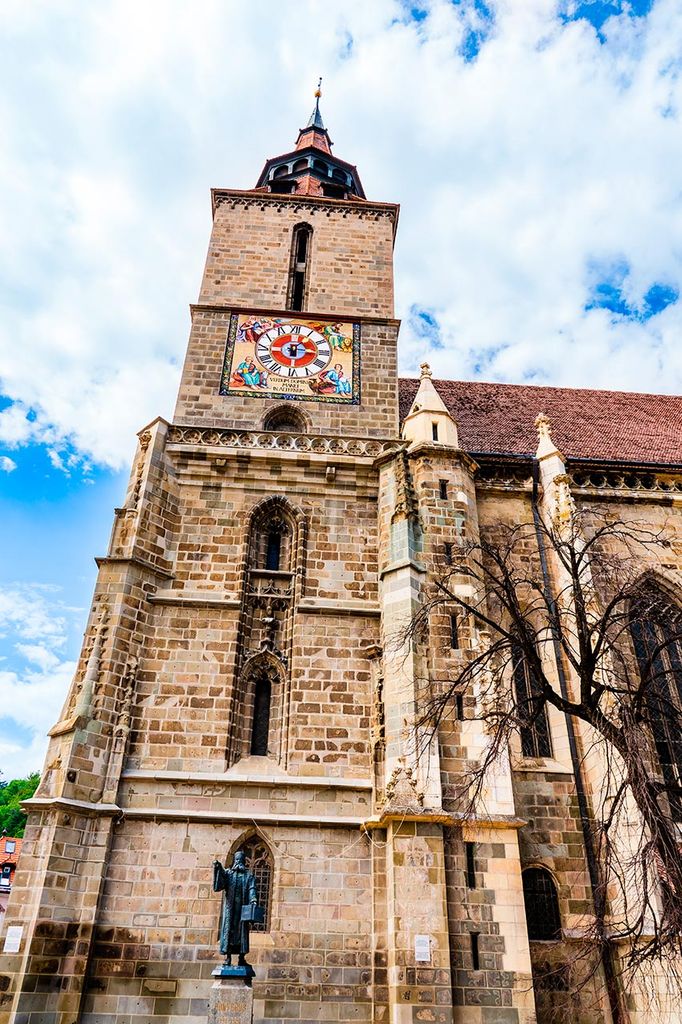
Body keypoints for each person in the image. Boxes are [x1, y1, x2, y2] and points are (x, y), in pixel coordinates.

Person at [212, 850, 259, 965]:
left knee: (241, 932)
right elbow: (220, 884)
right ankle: (227, 958)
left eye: (240, 860)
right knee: (228, 931)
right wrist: (217, 867)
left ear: (244, 861)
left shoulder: (249, 876)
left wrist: (253, 900)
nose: (238, 862)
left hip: (242, 909)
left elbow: (252, 888)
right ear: (234, 861)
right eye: (237, 860)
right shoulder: (228, 874)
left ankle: (241, 958)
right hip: (230, 908)